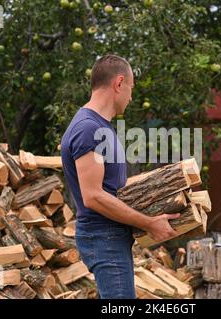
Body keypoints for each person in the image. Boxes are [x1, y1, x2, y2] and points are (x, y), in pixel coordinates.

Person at [60, 54, 179, 299]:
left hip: (109, 237)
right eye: (131, 89)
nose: (131, 97)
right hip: (103, 237)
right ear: (119, 83)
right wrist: (148, 223)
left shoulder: (100, 126)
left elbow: (111, 188)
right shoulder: (88, 128)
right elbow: (92, 196)